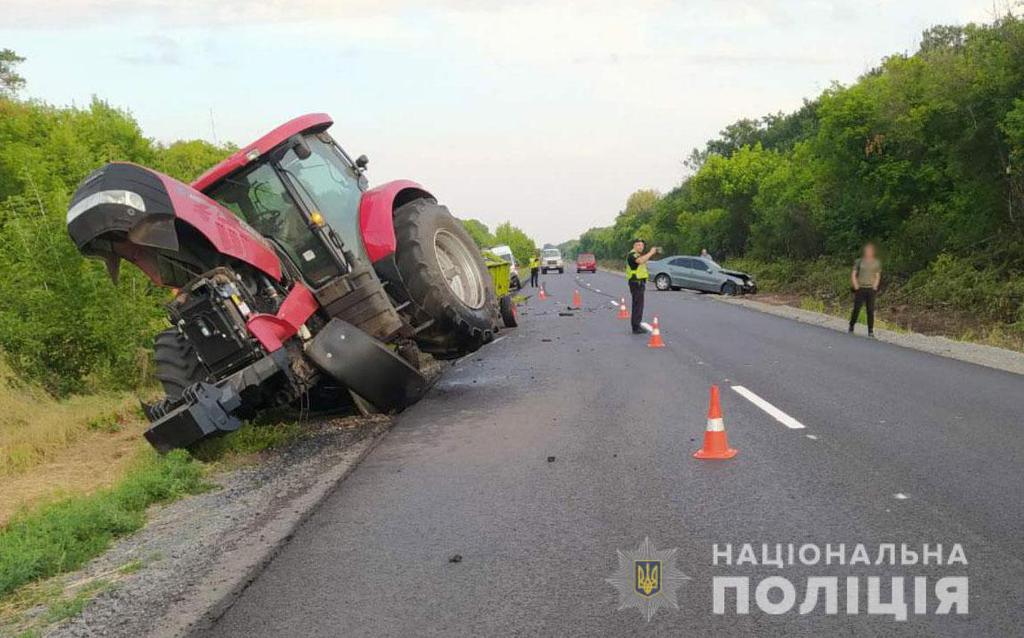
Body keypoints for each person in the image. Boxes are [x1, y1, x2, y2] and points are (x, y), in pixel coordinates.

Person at [625, 239, 661, 334]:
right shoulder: (632, 254)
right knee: (638, 305)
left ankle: (637, 325)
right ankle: (636, 327)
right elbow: (640, 261)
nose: (641, 247)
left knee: (638, 305)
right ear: (634, 246)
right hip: (636, 282)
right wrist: (651, 252)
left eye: (642, 245)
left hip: (639, 282)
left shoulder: (638, 254)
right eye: (639, 245)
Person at [849, 242, 881, 336]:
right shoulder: (859, 261)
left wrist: (875, 286)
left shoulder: (876, 262)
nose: (869, 252)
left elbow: (877, 275)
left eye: (870, 251)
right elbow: (854, 273)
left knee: (870, 310)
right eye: (867, 251)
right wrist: (855, 285)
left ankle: (870, 330)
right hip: (860, 288)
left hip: (870, 289)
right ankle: (851, 325)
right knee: (857, 308)